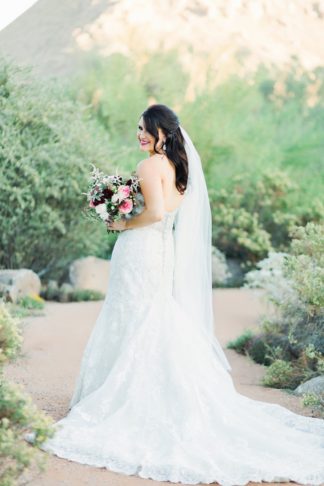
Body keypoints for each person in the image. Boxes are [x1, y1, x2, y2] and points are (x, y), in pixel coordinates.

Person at [35, 104, 323, 485]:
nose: (139, 134)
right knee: (149, 313)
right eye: (137, 127)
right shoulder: (178, 169)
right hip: (161, 252)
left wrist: (120, 220)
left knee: (132, 313)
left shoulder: (149, 167)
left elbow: (153, 214)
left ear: (163, 133)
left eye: (146, 129)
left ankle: (121, 396)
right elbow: (166, 212)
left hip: (141, 247)